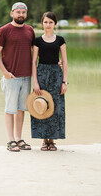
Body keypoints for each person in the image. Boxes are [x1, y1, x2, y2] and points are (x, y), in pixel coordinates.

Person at [0, 2, 35, 152]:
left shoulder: (30, 30)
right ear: (12, 13)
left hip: (27, 76)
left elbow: (35, 52)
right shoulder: (4, 30)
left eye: (23, 12)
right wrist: (5, 72)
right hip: (11, 77)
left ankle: (19, 139)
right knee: (10, 109)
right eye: (18, 12)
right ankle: (10, 140)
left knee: (21, 109)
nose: (21, 15)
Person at [31, 12, 68, 151]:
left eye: (50, 22)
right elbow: (34, 62)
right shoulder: (37, 41)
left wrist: (64, 81)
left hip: (56, 75)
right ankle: (44, 140)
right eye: (45, 22)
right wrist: (35, 81)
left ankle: (52, 140)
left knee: (56, 107)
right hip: (41, 74)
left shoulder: (60, 40)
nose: (48, 25)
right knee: (41, 105)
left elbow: (64, 62)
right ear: (42, 23)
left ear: (55, 24)